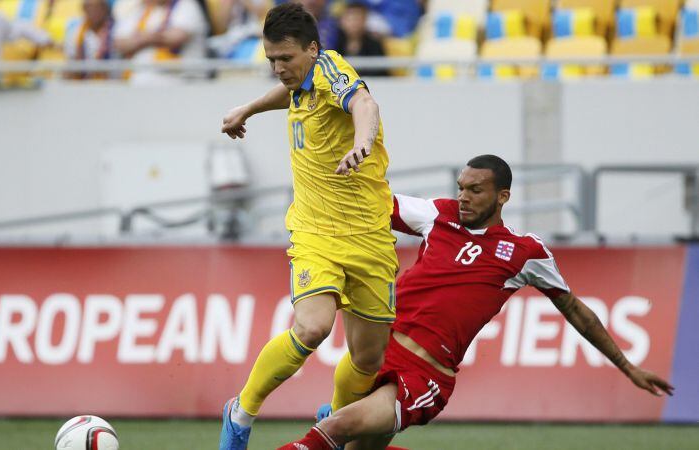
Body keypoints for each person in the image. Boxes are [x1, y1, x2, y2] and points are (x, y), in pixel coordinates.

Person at [278, 155, 675, 450]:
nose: (463, 197)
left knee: (334, 428)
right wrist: (330, 180)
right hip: (383, 351)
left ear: (503, 196)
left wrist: (627, 367)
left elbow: (576, 311)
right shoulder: (439, 216)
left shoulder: (525, 252)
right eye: (461, 188)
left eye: (475, 190)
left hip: (424, 377)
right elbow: (375, 204)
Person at [219, 3, 398, 449]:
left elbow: (365, 103)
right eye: (271, 60)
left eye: (286, 59)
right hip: (315, 234)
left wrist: (361, 143)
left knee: (368, 358)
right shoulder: (303, 82)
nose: (279, 69)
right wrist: (249, 109)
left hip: (370, 237)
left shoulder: (332, 71)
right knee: (312, 328)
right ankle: (241, 413)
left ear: (314, 50)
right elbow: (291, 93)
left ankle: (334, 423)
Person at [113, 0, 208, 84]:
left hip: (179, 80)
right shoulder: (140, 10)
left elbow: (176, 38)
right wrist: (150, 37)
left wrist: (140, 38)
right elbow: (119, 44)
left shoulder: (187, 5)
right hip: (139, 80)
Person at [333, 0, 388, 77]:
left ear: (365, 20)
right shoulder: (335, 43)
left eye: (357, 18)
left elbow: (380, 72)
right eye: (350, 19)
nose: (354, 23)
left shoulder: (374, 44)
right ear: (341, 22)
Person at [64, 0, 116, 79]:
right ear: (84, 10)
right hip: (84, 83)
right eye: (90, 8)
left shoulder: (116, 30)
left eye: (98, 8)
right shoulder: (75, 33)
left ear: (105, 9)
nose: (94, 11)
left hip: (111, 83)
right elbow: (71, 63)